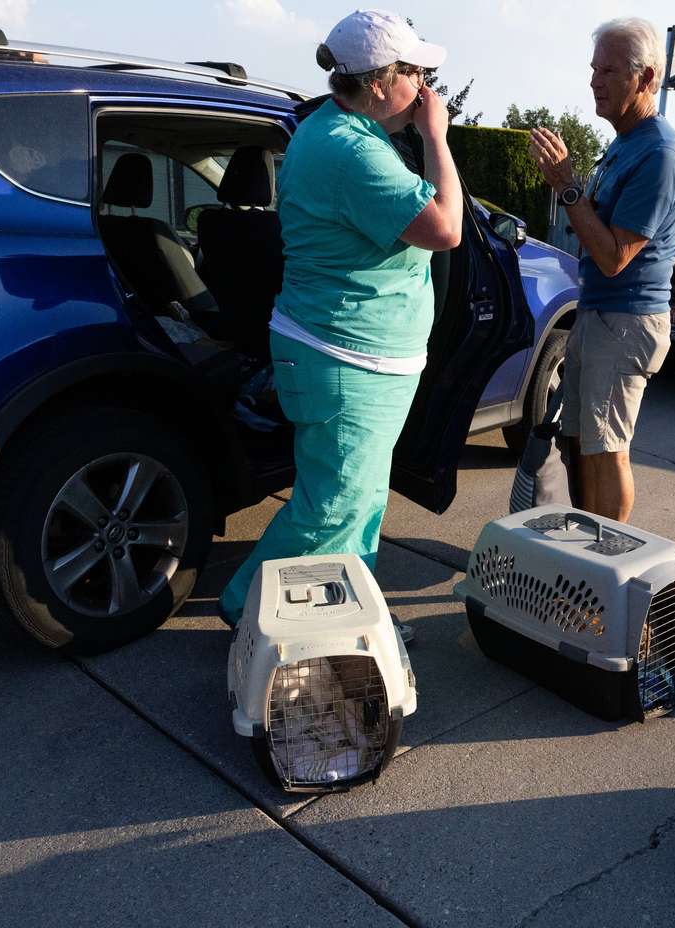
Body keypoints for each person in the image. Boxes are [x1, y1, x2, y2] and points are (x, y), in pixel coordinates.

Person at [218, 9, 462, 640]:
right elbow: (446, 229)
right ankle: (250, 611)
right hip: (348, 355)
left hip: (355, 354)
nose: (425, 87)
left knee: (357, 501)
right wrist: (436, 136)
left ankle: (343, 615)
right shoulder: (350, 150)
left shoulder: (337, 129)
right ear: (380, 82)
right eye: (414, 72)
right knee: (331, 506)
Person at [529, 18, 675, 522]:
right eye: (593, 68)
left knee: (606, 450)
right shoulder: (625, 141)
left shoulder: (660, 152)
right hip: (600, 317)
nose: (595, 81)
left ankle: (607, 572)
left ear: (646, 79)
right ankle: (587, 558)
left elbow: (614, 255)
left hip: (625, 322)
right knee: (582, 445)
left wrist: (567, 185)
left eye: (609, 70)